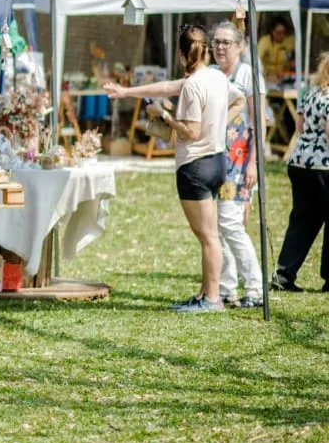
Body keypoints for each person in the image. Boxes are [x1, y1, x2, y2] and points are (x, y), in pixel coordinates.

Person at [109, 22, 264, 307]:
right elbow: (238, 99)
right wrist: (126, 91)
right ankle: (207, 293)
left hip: (195, 166)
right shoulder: (216, 78)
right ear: (205, 50)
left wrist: (163, 115)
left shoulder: (193, 86)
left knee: (208, 237)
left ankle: (213, 298)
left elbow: (190, 131)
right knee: (210, 235)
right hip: (218, 162)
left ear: (181, 55)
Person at [271, 52, 329, 293]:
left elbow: (299, 127)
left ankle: (284, 274)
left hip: (300, 162)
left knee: (302, 220)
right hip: (324, 165)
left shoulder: (310, 93)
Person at [257, 17, 295, 84]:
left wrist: (293, 62)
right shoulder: (265, 41)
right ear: (272, 31)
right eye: (278, 33)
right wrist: (264, 76)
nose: (281, 36)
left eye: (284, 32)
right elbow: (257, 59)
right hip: (268, 78)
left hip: (285, 77)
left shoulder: (290, 40)